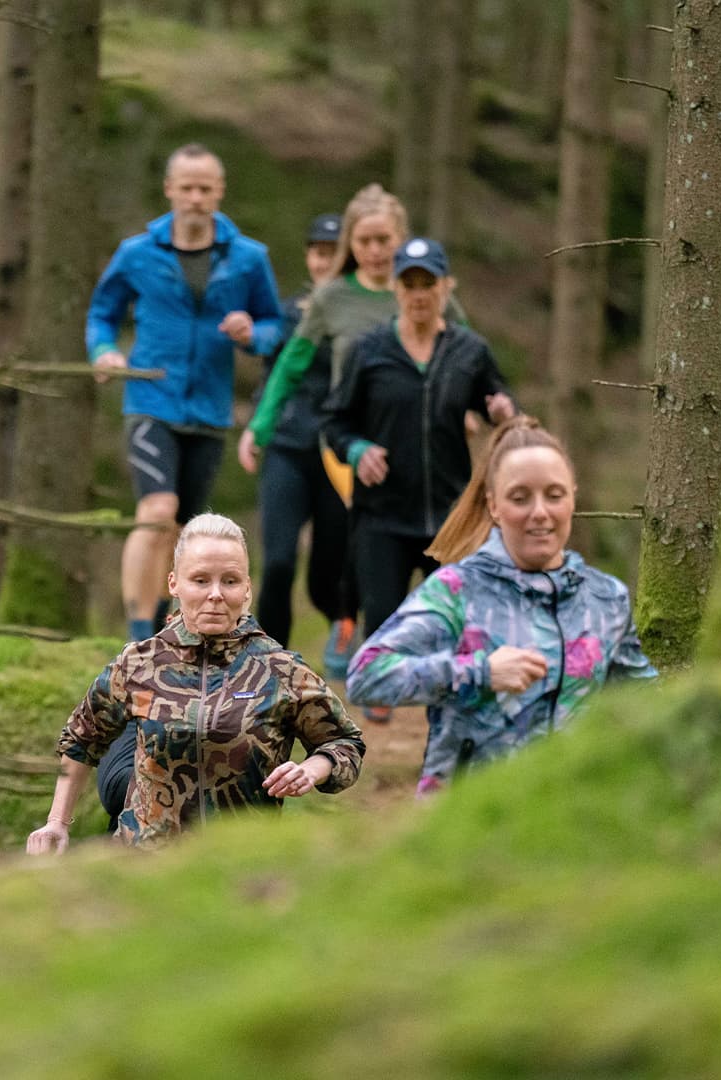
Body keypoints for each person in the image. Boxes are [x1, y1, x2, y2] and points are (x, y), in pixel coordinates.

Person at [345, 417, 656, 794]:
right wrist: (479, 673)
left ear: (573, 497)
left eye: (554, 495)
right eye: (520, 498)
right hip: (465, 821)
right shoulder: (457, 590)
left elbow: (647, 700)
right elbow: (366, 676)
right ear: (493, 505)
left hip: (575, 818)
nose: (539, 512)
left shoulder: (606, 599)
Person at [238, 184, 471, 678]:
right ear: (351, 242)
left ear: (400, 238)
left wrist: (472, 406)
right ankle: (313, 650)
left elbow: (467, 353)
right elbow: (290, 364)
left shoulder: (424, 288)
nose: (375, 250)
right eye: (364, 240)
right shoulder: (332, 297)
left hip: (415, 445)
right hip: (347, 441)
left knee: (411, 551)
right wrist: (259, 426)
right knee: (324, 549)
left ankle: (398, 647)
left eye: (384, 239)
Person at [26, 513, 365, 853]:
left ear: (247, 587)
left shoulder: (280, 670)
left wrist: (312, 770)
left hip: (239, 866)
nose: (215, 594)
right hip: (142, 866)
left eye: (230, 581)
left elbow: (346, 743)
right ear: (174, 584)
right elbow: (80, 740)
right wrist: (57, 822)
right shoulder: (139, 663)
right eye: (201, 580)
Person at [86, 144, 286, 644]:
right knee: (156, 510)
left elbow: (273, 325)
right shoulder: (137, 253)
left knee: (182, 530)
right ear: (170, 190)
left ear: (219, 193)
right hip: (151, 396)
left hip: (210, 407)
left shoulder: (247, 257)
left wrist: (251, 334)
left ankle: (160, 626)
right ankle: (136, 637)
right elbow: (102, 314)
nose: (196, 198)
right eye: (187, 188)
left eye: (206, 189)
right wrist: (105, 351)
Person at [322, 236, 516, 719]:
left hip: (450, 517)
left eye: (428, 282)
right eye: (409, 283)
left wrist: (502, 410)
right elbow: (335, 422)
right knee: (384, 622)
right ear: (396, 289)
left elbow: (500, 404)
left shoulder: (469, 350)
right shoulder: (370, 351)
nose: (419, 293)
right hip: (382, 514)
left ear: (446, 287)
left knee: (456, 625)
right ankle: (378, 708)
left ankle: (450, 711)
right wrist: (359, 449)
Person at [235, 211, 349, 659]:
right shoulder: (291, 312)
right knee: (278, 561)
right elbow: (270, 357)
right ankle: (267, 660)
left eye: (335, 255)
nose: (325, 263)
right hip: (287, 447)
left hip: (338, 455)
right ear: (308, 257)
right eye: (319, 253)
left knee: (326, 574)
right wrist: (256, 430)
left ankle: (344, 632)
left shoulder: (363, 317)